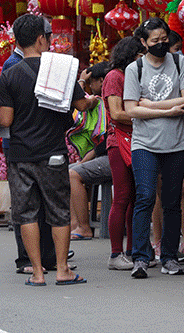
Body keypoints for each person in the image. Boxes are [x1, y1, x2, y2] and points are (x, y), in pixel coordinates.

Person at [0, 14, 96, 287]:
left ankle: (37, 273)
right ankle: (62, 270)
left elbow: (5, 120)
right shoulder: (61, 71)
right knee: (58, 211)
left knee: (26, 213)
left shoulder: (9, 75)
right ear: (42, 39)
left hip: (20, 156)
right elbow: (81, 105)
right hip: (52, 152)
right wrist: (91, 101)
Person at [125, 18, 184, 278]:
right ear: (143, 43)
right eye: (154, 41)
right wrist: (171, 108)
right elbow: (131, 109)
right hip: (144, 144)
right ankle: (141, 258)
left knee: (172, 201)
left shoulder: (180, 62)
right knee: (144, 197)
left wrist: (151, 106)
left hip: (176, 143)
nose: (161, 44)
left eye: (164, 39)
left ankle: (169, 257)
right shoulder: (135, 69)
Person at [2, 40, 59, 276]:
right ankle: (28, 259)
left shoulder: (40, 65)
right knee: (31, 206)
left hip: (28, 146)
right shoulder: (13, 66)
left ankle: (46, 259)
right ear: (40, 40)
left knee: (39, 206)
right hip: (30, 146)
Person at [150, 32, 184, 262]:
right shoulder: (149, 70)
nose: (179, 52)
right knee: (159, 191)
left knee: (181, 190)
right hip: (154, 137)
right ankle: (158, 241)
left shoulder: (182, 67)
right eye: (176, 47)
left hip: (179, 134)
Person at [103, 36, 145, 270]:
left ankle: (131, 249)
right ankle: (115, 253)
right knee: (122, 197)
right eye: (139, 56)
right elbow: (117, 113)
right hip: (119, 141)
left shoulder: (129, 76)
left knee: (135, 197)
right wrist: (147, 114)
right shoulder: (114, 77)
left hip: (133, 138)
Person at [69, 62, 111, 241]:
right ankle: (74, 223)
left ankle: (84, 227)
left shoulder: (105, 103)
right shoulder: (101, 102)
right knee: (68, 170)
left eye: (91, 82)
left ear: (100, 81)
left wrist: (83, 162)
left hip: (111, 157)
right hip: (104, 155)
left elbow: (100, 146)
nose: (89, 87)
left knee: (72, 174)